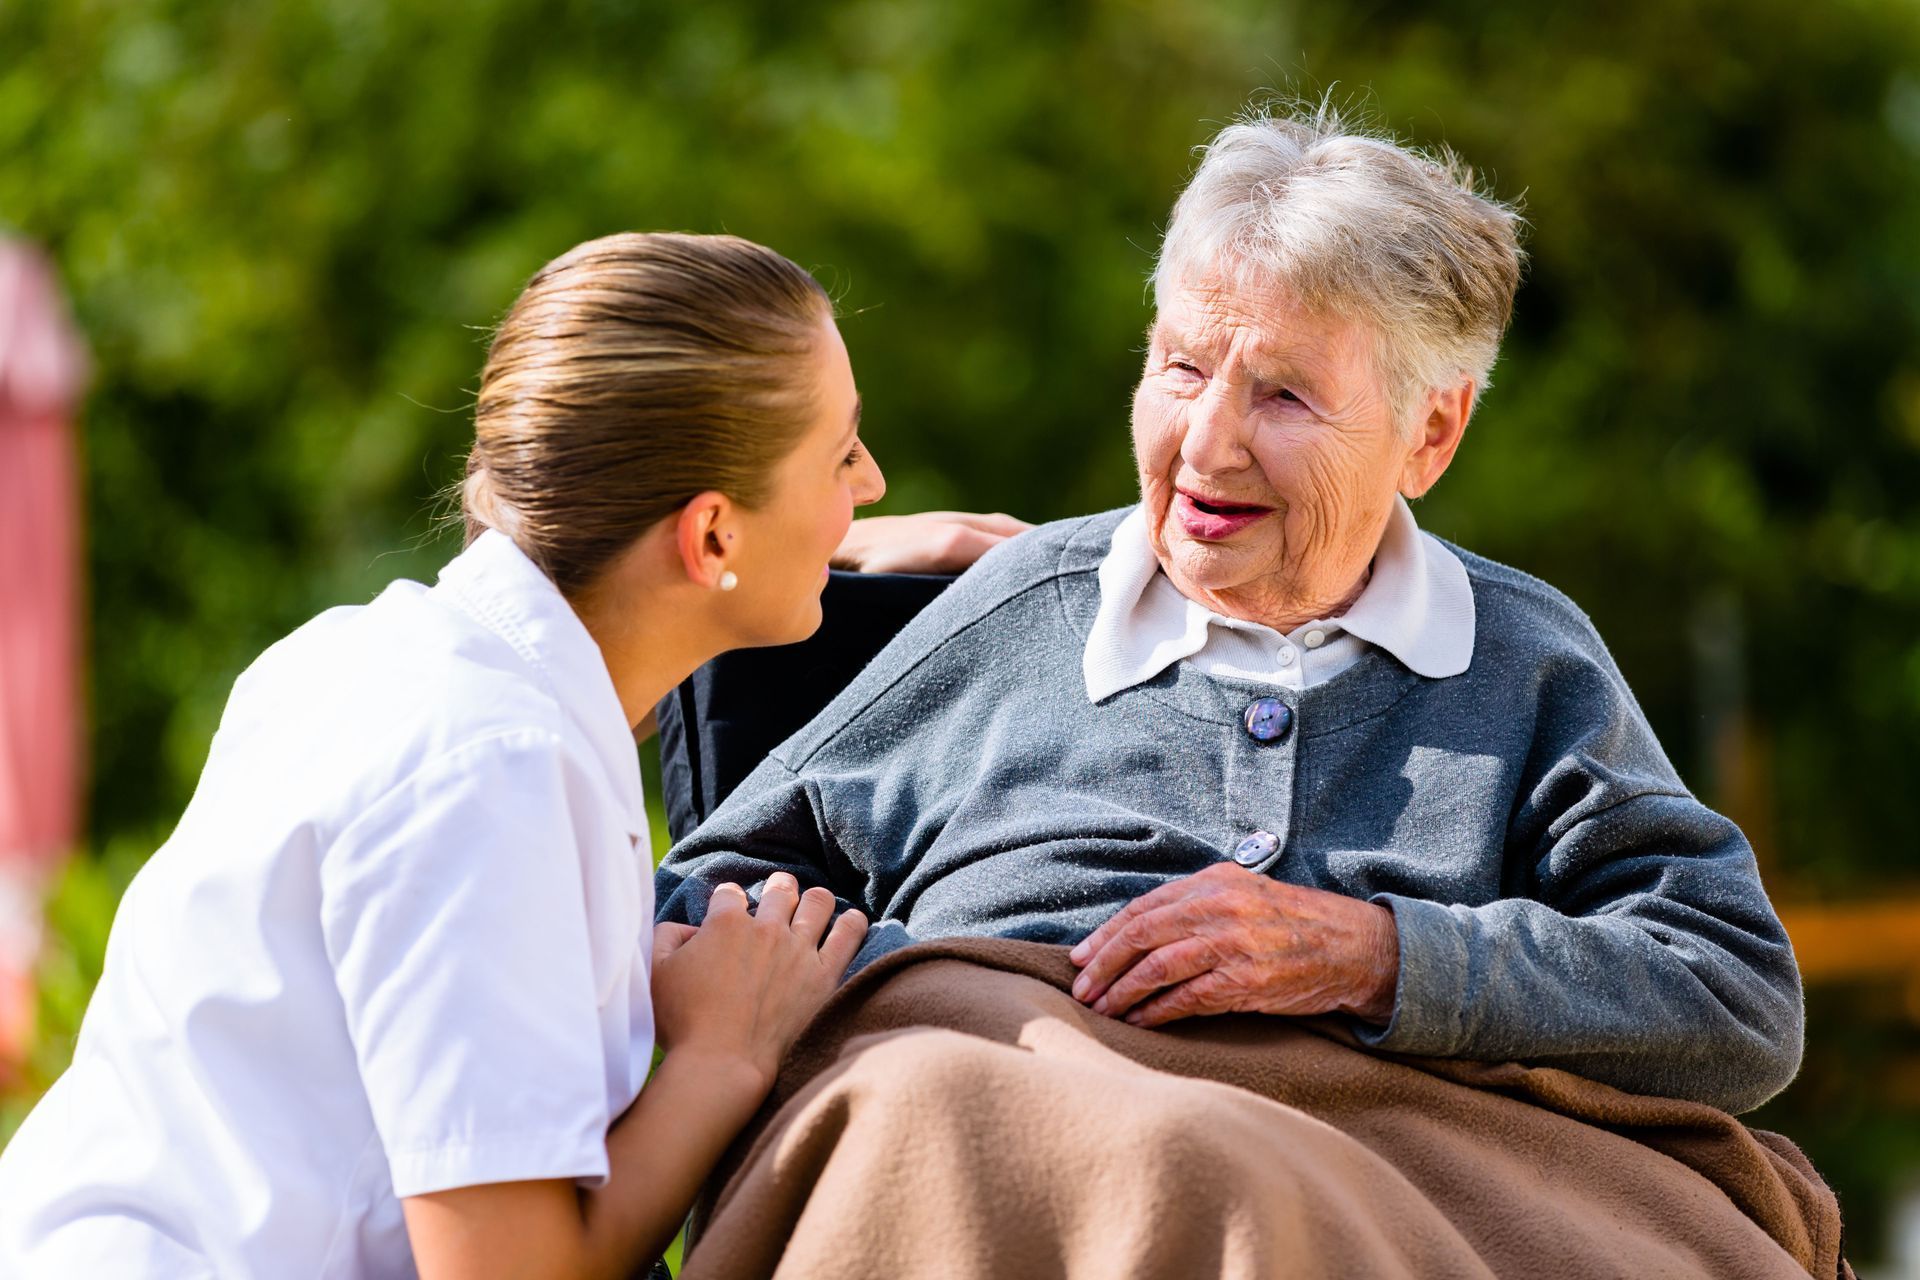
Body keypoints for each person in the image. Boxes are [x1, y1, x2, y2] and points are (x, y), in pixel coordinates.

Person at [659, 107, 1804, 1113]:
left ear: (1432, 433)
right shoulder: (1016, 615)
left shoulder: (1522, 660)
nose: (1207, 446)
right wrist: (948, 996)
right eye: (1181, 369)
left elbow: (1734, 993)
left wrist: (1374, 957)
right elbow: (698, 904)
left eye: (1286, 394)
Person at [0, 231, 1025, 1279]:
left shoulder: (372, 656)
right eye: (841, 455)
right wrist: (727, 1049)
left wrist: (838, 543)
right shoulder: (489, 771)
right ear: (713, 535)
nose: (875, 480)